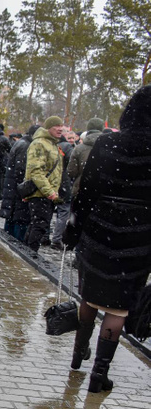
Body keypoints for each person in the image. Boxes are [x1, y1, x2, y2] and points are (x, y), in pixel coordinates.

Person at [64, 86, 151, 393]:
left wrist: (74, 228)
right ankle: (99, 375)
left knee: (90, 294)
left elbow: (86, 189)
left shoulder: (108, 142)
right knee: (119, 308)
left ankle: (77, 356)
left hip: (100, 228)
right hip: (140, 236)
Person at [23, 116, 65, 255]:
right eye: (56, 126)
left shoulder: (53, 144)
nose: (60, 129)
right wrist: (49, 192)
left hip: (46, 193)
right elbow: (35, 170)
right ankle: (29, 256)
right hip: (41, 193)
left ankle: (28, 253)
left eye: (61, 125)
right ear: (49, 128)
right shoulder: (39, 143)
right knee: (39, 225)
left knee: (38, 224)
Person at [0, 124, 40, 241]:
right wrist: (25, 189)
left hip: (12, 189)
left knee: (12, 220)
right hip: (17, 192)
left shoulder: (22, 143)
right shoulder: (26, 146)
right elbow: (20, 171)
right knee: (17, 223)